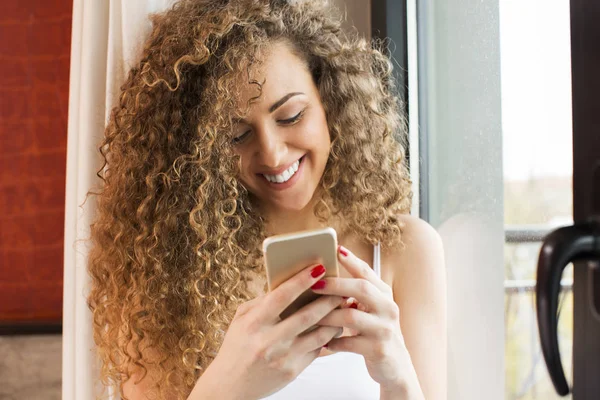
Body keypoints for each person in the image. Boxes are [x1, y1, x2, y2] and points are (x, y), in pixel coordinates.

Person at [86, 0, 447, 399]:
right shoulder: (165, 277)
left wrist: (398, 377)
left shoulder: (406, 249)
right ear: (201, 150)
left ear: (330, 100)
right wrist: (227, 383)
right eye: (238, 135)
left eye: (291, 116)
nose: (273, 155)